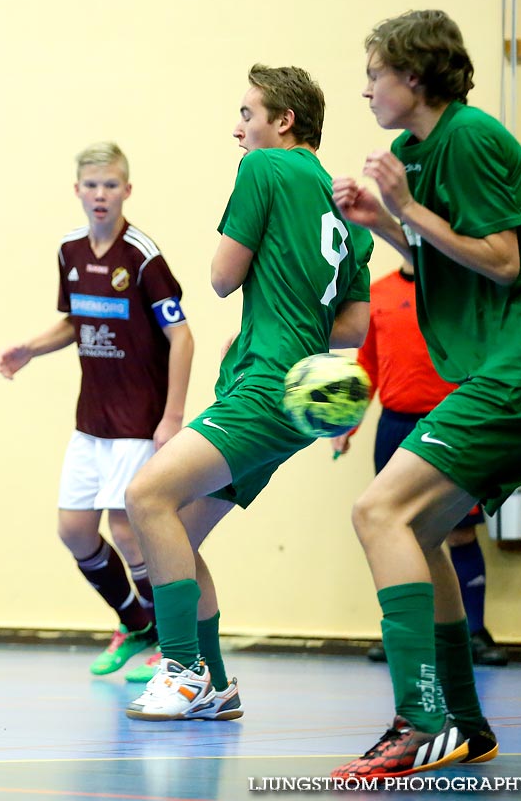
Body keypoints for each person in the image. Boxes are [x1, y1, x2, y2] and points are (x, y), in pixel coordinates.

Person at [330, 9, 521, 778]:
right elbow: (439, 257)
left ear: (412, 78)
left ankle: (418, 722)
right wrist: (384, 223)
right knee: (417, 532)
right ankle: (460, 723)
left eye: (375, 75)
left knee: (378, 510)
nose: (366, 90)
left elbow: (503, 262)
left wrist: (408, 210)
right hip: (502, 363)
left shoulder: (474, 137)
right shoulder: (408, 152)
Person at [122, 65, 373, 723]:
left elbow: (222, 278)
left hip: (265, 382)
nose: (239, 128)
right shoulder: (348, 207)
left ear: (283, 122)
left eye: (248, 113)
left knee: (146, 497)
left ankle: (178, 671)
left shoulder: (266, 170)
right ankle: (218, 686)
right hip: (300, 400)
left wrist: (258, 267)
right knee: (177, 533)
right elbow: (354, 323)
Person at [0, 142, 193, 681]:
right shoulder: (70, 250)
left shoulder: (143, 256)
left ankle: (172, 642)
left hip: (139, 420)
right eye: (92, 185)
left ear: (126, 190)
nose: (101, 194)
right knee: (75, 530)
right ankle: (135, 623)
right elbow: (74, 321)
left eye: (111, 185)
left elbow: (181, 337)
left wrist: (171, 418)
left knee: (129, 531)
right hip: (91, 421)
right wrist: (31, 349)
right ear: (78, 191)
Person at [332, 261, 507, 667]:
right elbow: (368, 368)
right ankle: (407, 632)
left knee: (459, 533)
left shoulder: (463, 287)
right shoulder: (377, 293)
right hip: (395, 426)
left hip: (451, 423)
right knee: (394, 531)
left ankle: (473, 632)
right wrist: (348, 421)